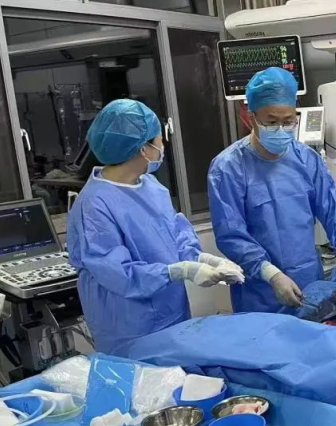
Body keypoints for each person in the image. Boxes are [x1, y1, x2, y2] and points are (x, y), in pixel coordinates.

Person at [68, 99, 242, 355]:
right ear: (143, 148)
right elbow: (117, 273)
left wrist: (204, 260)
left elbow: (175, 237)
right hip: (128, 326)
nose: (163, 146)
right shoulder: (94, 205)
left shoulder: (151, 187)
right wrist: (181, 270)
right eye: (160, 140)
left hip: (171, 310)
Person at [208, 67, 336, 314]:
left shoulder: (307, 160)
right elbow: (231, 235)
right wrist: (272, 275)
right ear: (251, 117)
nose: (281, 129)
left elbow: (333, 214)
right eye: (271, 122)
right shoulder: (228, 168)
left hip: (309, 283)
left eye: (288, 121)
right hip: (259, 292)